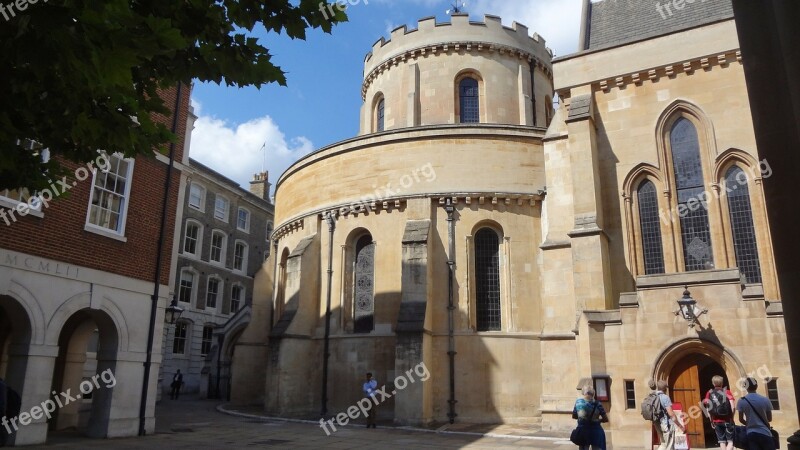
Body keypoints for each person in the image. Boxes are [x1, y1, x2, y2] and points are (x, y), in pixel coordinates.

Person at [737, 377, 773, 450]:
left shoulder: (741, 401)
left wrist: (750, 423)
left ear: (745, 387)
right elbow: (769, 419)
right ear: (756, 386)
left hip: (751, 433)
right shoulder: (765, 400)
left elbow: (741, 419)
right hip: (765, 432)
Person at [651, 379, 686, 450]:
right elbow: (671, 414)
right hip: (666, 424)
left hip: (657, 424)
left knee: (664, 444)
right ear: (665, 388)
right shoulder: (665, 397)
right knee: (669, 446)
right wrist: (680, 426)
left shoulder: (653, 396)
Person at [703, 375, 735, 450]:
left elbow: (708, 409)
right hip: (728, 420)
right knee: (730, 441)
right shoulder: (727, 392)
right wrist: (732, 418)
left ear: (713, 383)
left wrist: (711, 420)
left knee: (722, 441)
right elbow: (733, 407)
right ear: (722, 383)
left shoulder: (709, 392)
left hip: (716, 421)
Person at [571, 386, 608, 450]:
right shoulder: (598, 404)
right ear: (593, 394)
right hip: (596, 430)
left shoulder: (578, 402)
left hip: (583, 430)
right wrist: (597, 420)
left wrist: (582, 417)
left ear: (583, 393)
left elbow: (574, 416)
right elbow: (605, 419)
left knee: (583, 447)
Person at [0, 377, 7, 447]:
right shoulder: (3, 385)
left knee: (2, 427)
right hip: (2, 409)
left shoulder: (1, 385)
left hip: (1, 409)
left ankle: (2, 441)